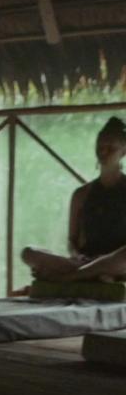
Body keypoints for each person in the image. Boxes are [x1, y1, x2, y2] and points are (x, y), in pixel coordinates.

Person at [22, 117, 126, 283]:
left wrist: (105, 261)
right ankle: (91, 274)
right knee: (28, 252)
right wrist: (78, 256)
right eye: (100, 147)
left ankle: (69, 278)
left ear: (123, 151)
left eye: (111, 148)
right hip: (85, 261)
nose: (103, 152)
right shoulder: (81, 194)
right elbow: (72, 241)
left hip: (118, 265)